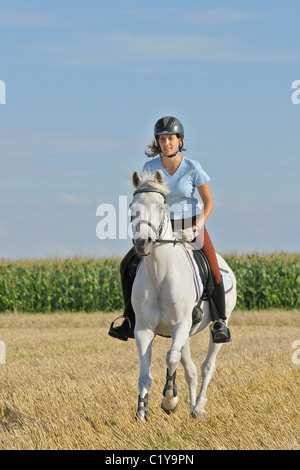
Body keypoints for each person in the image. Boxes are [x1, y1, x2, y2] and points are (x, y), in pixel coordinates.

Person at [108, 116, 231, 343]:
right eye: (162, 139)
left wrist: (197, 226)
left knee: (213, 267)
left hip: (190, 224)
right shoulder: (149, 167)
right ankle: (129, 319)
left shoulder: (193, 168)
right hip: (159, 229)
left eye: (171, 138)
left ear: (179, 140)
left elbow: (209, 202)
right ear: (157, 142)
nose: (166, 143)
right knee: (126, 264)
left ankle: (219, 322)